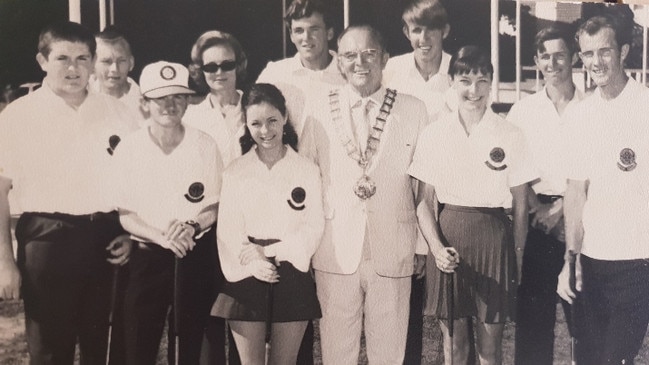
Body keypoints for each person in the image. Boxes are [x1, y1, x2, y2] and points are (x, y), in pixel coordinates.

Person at [0, 21, 138, 364]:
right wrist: (4, 262)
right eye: (63, 58)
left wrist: (131, 234)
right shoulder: (18, 115)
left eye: (82, 58)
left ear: (93, 62)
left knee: (103, 350)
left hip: (106, 240)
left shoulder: (119, 114)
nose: (74, 68)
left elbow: (138, 182)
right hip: (47, 242)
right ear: (42, 60)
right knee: (49, 353)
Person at [299, 25, 428, 364]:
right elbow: (307, 180)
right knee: (337, 349)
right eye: (350, 55)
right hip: (335, 250)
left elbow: (424, 185)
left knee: (389, 352)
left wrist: (421, 246)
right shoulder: (317, 108)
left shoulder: (413, 109)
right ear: (339, 62)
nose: (360, 63)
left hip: (393, 247)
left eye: (369, 53)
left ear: (384, 58)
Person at [409, 46, 536, 365]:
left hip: (494, 241)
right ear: (452, 82)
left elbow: (521, 204)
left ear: (492, 82)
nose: (474, 90)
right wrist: (437, 249)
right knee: (454, 348)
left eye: (482, 80)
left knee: (490, 352)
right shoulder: (435, 133)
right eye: (465, 80)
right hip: (450, 240)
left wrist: (518, 257)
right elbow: (424, 203)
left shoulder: (511, 134)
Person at [112, 61, 223, 365]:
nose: (170, 105)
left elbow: (213, 205)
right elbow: (126, 214)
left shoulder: (204, 145)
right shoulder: (130, 148)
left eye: (178, 96)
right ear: (144, 103)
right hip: (146, 258)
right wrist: (162, 237)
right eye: (160, 98)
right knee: (138, 346)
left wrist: (191, 225)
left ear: (188, 100)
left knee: (192, 346)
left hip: (193, 255)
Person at [556, 14, 649, 365]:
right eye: (588, 53)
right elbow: (576, 192)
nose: (596, 62)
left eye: (605, 51)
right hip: (592, 263)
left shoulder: (646, 106)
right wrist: (570, 260)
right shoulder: (580, 116)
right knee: (590, 359)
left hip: (639, 261)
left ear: (624, 51)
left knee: (614, 359)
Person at [211, 83, 324, 365]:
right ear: (246, 125)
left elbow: (313, 227)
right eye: (256, 123)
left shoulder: (306, 170)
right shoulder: (236, 172)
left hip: (290, 270)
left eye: (272, 120)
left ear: (285, 117)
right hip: (247, 272)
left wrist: (272, 253)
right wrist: (252, 264)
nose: (265, 131)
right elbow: (227, 232)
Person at [507, 26, 584, 365]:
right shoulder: (523, 111)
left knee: (584, 328)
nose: (552, 63)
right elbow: (515, 171)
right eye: (545, 56)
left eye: (560, 55)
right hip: (536, 228)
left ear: (574, 57)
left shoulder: (592, 108)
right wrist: (539, 208)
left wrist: (561, 212)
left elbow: (595, 173)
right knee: (533, 330)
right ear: (537, 61)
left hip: (580, 229)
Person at [256, 0, 345, 137]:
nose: (306, 38)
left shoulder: (349, 73)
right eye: (299, 31)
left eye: (314, 29)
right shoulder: (274, 74)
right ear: (291, 36)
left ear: (329, 33)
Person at [185, 30, 248, 167]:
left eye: (227, 65)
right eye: (211, 67)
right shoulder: (190, 117)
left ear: (238, 66)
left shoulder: (254, 107)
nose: (219, 72)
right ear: (200, 70)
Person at [384, 0, 452, 122]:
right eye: (416, 30)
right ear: (407, 32)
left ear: (444, 31)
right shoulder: (392, 68)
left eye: (431, 29)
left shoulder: (458, 69)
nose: (423, 38)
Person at [91, 26, 147, 123]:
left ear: (131, 63)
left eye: (121, 61)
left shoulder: (148, 105)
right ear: (92, 64)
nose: (114, 69)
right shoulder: (79, 100)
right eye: (106, 61)